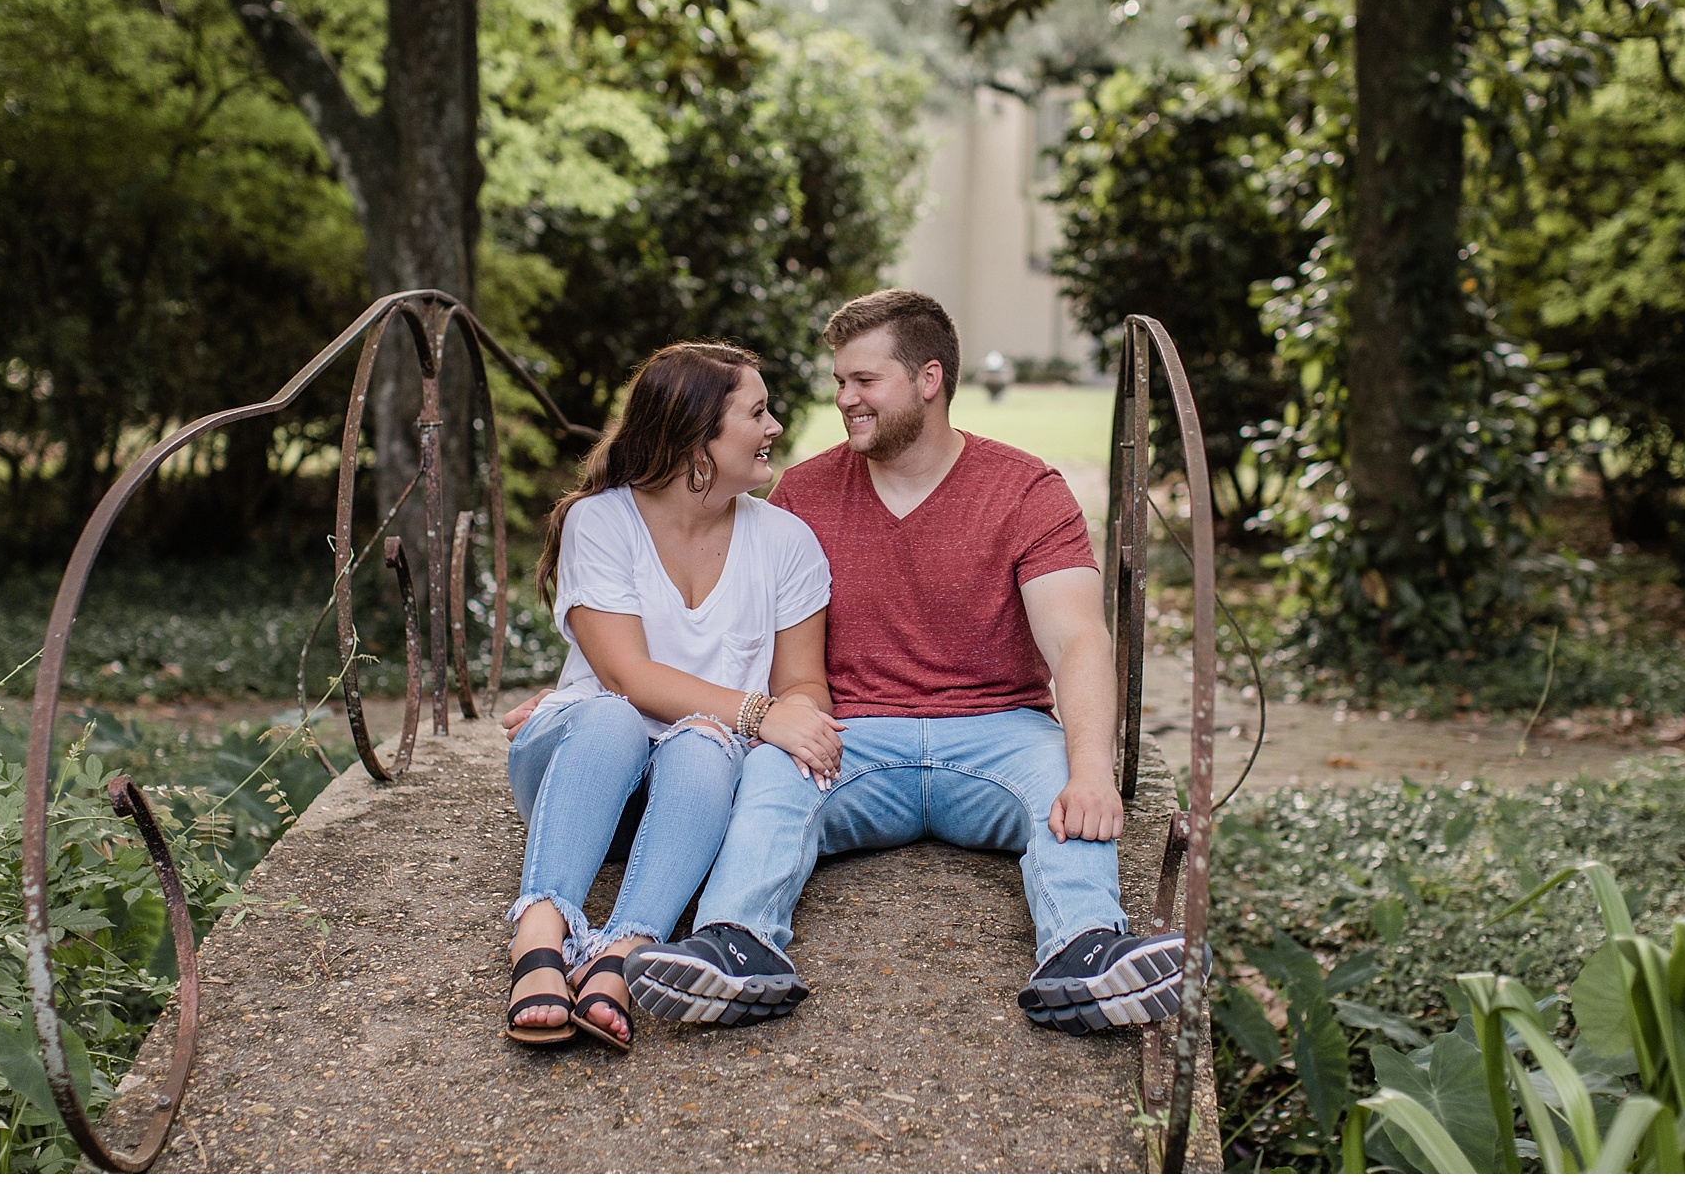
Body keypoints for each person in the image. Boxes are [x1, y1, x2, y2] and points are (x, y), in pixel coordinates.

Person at [507, 290, 1195, 1036]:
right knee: (771, 774)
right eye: (839, 382)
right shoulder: (801, 494)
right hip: (853, 735)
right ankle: (736, 946)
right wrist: (591, 684)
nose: (844, 399)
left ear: (929, 379)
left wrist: (1093, 768)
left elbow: (1078, 638)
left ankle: (1086, 953)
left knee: (1067, 778)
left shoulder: (1024, 489)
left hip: (1000, 731)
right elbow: (714, 625)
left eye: (863, 381)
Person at [500, 342, 844, 1052]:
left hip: (691, 799)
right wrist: (759, 713)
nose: (774, 425)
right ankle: (539, 934)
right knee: (613, 717)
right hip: (584, 771)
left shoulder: (787, 542)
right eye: (757, 412)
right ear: (697, 441)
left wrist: (795, 715)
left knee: (703, 746)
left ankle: (620, 956)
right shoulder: (600, 521)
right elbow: (627, 676)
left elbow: (803, 683)